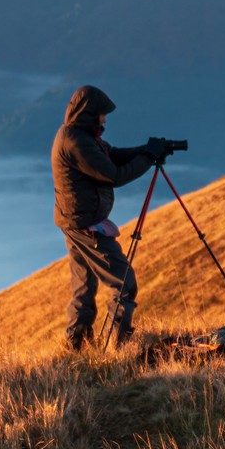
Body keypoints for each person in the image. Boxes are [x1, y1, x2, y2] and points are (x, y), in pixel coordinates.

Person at [51, 85, 160, 350]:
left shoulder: (80, 135)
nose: (105, 120)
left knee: (84, 288)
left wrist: (147, 149)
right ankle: (117, 348)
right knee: (123, 283)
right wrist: (148, 158)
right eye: (101, 115)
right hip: (86, 226)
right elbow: (113, 174)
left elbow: (111, 154)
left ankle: (75, 346)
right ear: (89, 114)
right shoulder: (77, 143)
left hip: (74, 221)